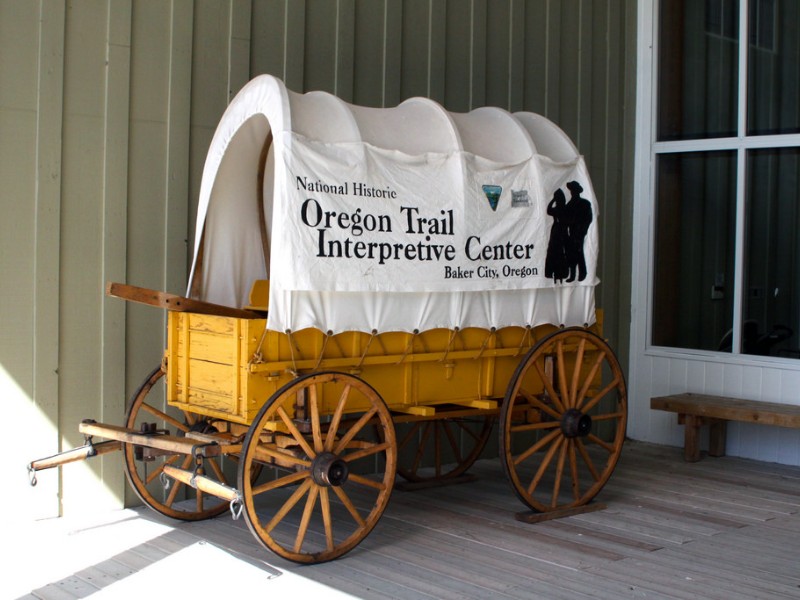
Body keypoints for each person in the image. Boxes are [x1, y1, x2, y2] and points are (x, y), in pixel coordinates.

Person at [564, 181, 592, 282]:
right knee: (571, 253)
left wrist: (582, 230)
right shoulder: (569, 204)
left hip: (579, 232)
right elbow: (565, 219)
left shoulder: (584, 203)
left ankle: (582, 274)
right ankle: (573, 275)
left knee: (579, 253)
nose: (572, 192)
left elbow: (588, 218)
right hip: (571, 232)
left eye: (573, 190)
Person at [544, 189, 569, 283]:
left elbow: (549, 210)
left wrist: (553, 200)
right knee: (558, 251)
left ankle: (557, 272)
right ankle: (559, 273)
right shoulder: (564, 208)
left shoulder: (560, 209)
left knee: (556, 251)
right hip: (559, 231)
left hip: (558, 230)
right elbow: (548, 210)